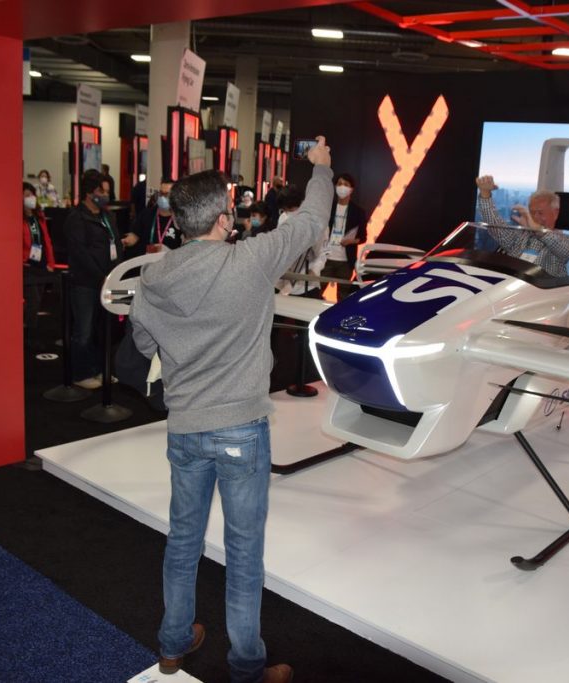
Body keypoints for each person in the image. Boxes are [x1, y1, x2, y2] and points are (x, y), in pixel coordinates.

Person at [129, 136, 334, 683]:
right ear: (223, 220)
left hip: (186, 429)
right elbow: (313, 220)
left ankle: (173, 645)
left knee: (182, 541)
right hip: (241, 427)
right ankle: (246, 666)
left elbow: (145, 347)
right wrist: (321, 167)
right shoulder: (251, 261)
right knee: (243, 552)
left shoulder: (152, 279)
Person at [65, 169, 124, 389]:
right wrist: (101, 277)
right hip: (86, 283)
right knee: (84, 331)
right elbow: (81, 254)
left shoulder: (107, 216)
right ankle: (81, 373)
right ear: (90, 193)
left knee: (104, 330)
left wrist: (115, 274)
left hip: (109, 281)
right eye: (102, 191)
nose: (106, 196)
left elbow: (116, 244)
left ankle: (101, 369)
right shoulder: (76, 219)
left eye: (108, 191)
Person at [475, 175, 569, 277]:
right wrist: (485, 194)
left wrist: (538, 230)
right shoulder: (522, 236)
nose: (535, 217)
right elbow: (495, 227)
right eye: (532, 212)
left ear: (555, 213)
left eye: (540, 213)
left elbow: (567, 254)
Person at [320, 172, 367, 299]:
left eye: (346, 184)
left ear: (351, 189)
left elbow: (363, 237)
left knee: (343, 297)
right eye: (339, 184)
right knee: (317, 292)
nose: (342, 187)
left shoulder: (358, 211)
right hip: (325, 258)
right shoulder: (327, 208)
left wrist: (351, 241)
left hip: (345, 261)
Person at [22, 182, 56, 333]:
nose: (31, 198)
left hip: (41, 265)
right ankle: (28, 329)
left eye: (32, 194)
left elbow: (46, 240)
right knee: (33, 300)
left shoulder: (38, 217)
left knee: (39, 300)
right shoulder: (18, 219)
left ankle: (31, 328)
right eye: (27, 195)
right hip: (27, 266)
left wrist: (51, 262)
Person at [128, 177, 181, 253]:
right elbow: (135, 236)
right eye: (161, 193)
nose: (163, 197)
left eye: (167, 195)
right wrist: (125, 242)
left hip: (171, 261)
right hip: (147, 261)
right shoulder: (147, 214)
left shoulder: (181, 218)